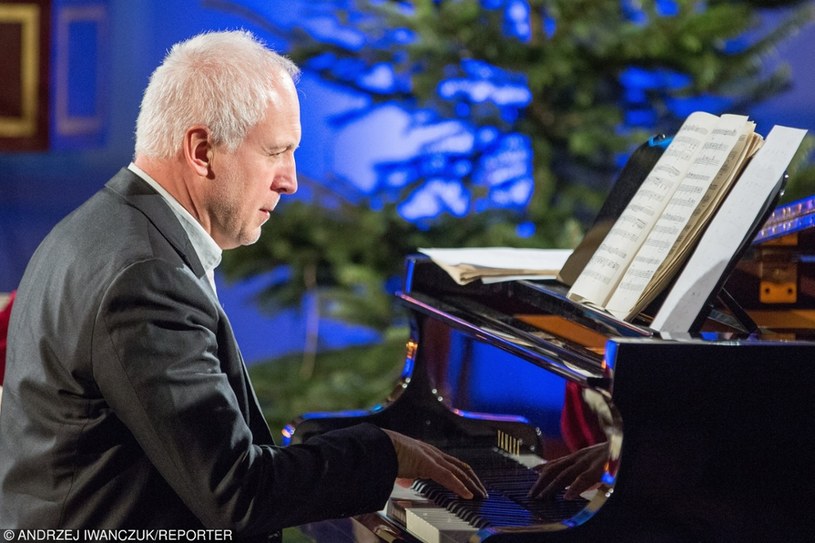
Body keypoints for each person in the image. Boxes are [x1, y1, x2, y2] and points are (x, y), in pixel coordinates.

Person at [0, 30, 486, 540]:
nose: (290, 180)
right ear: (203, 150)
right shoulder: (145, 277)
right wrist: (384, 453)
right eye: (276, 152)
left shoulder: (104, 226)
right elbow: (240, 493)